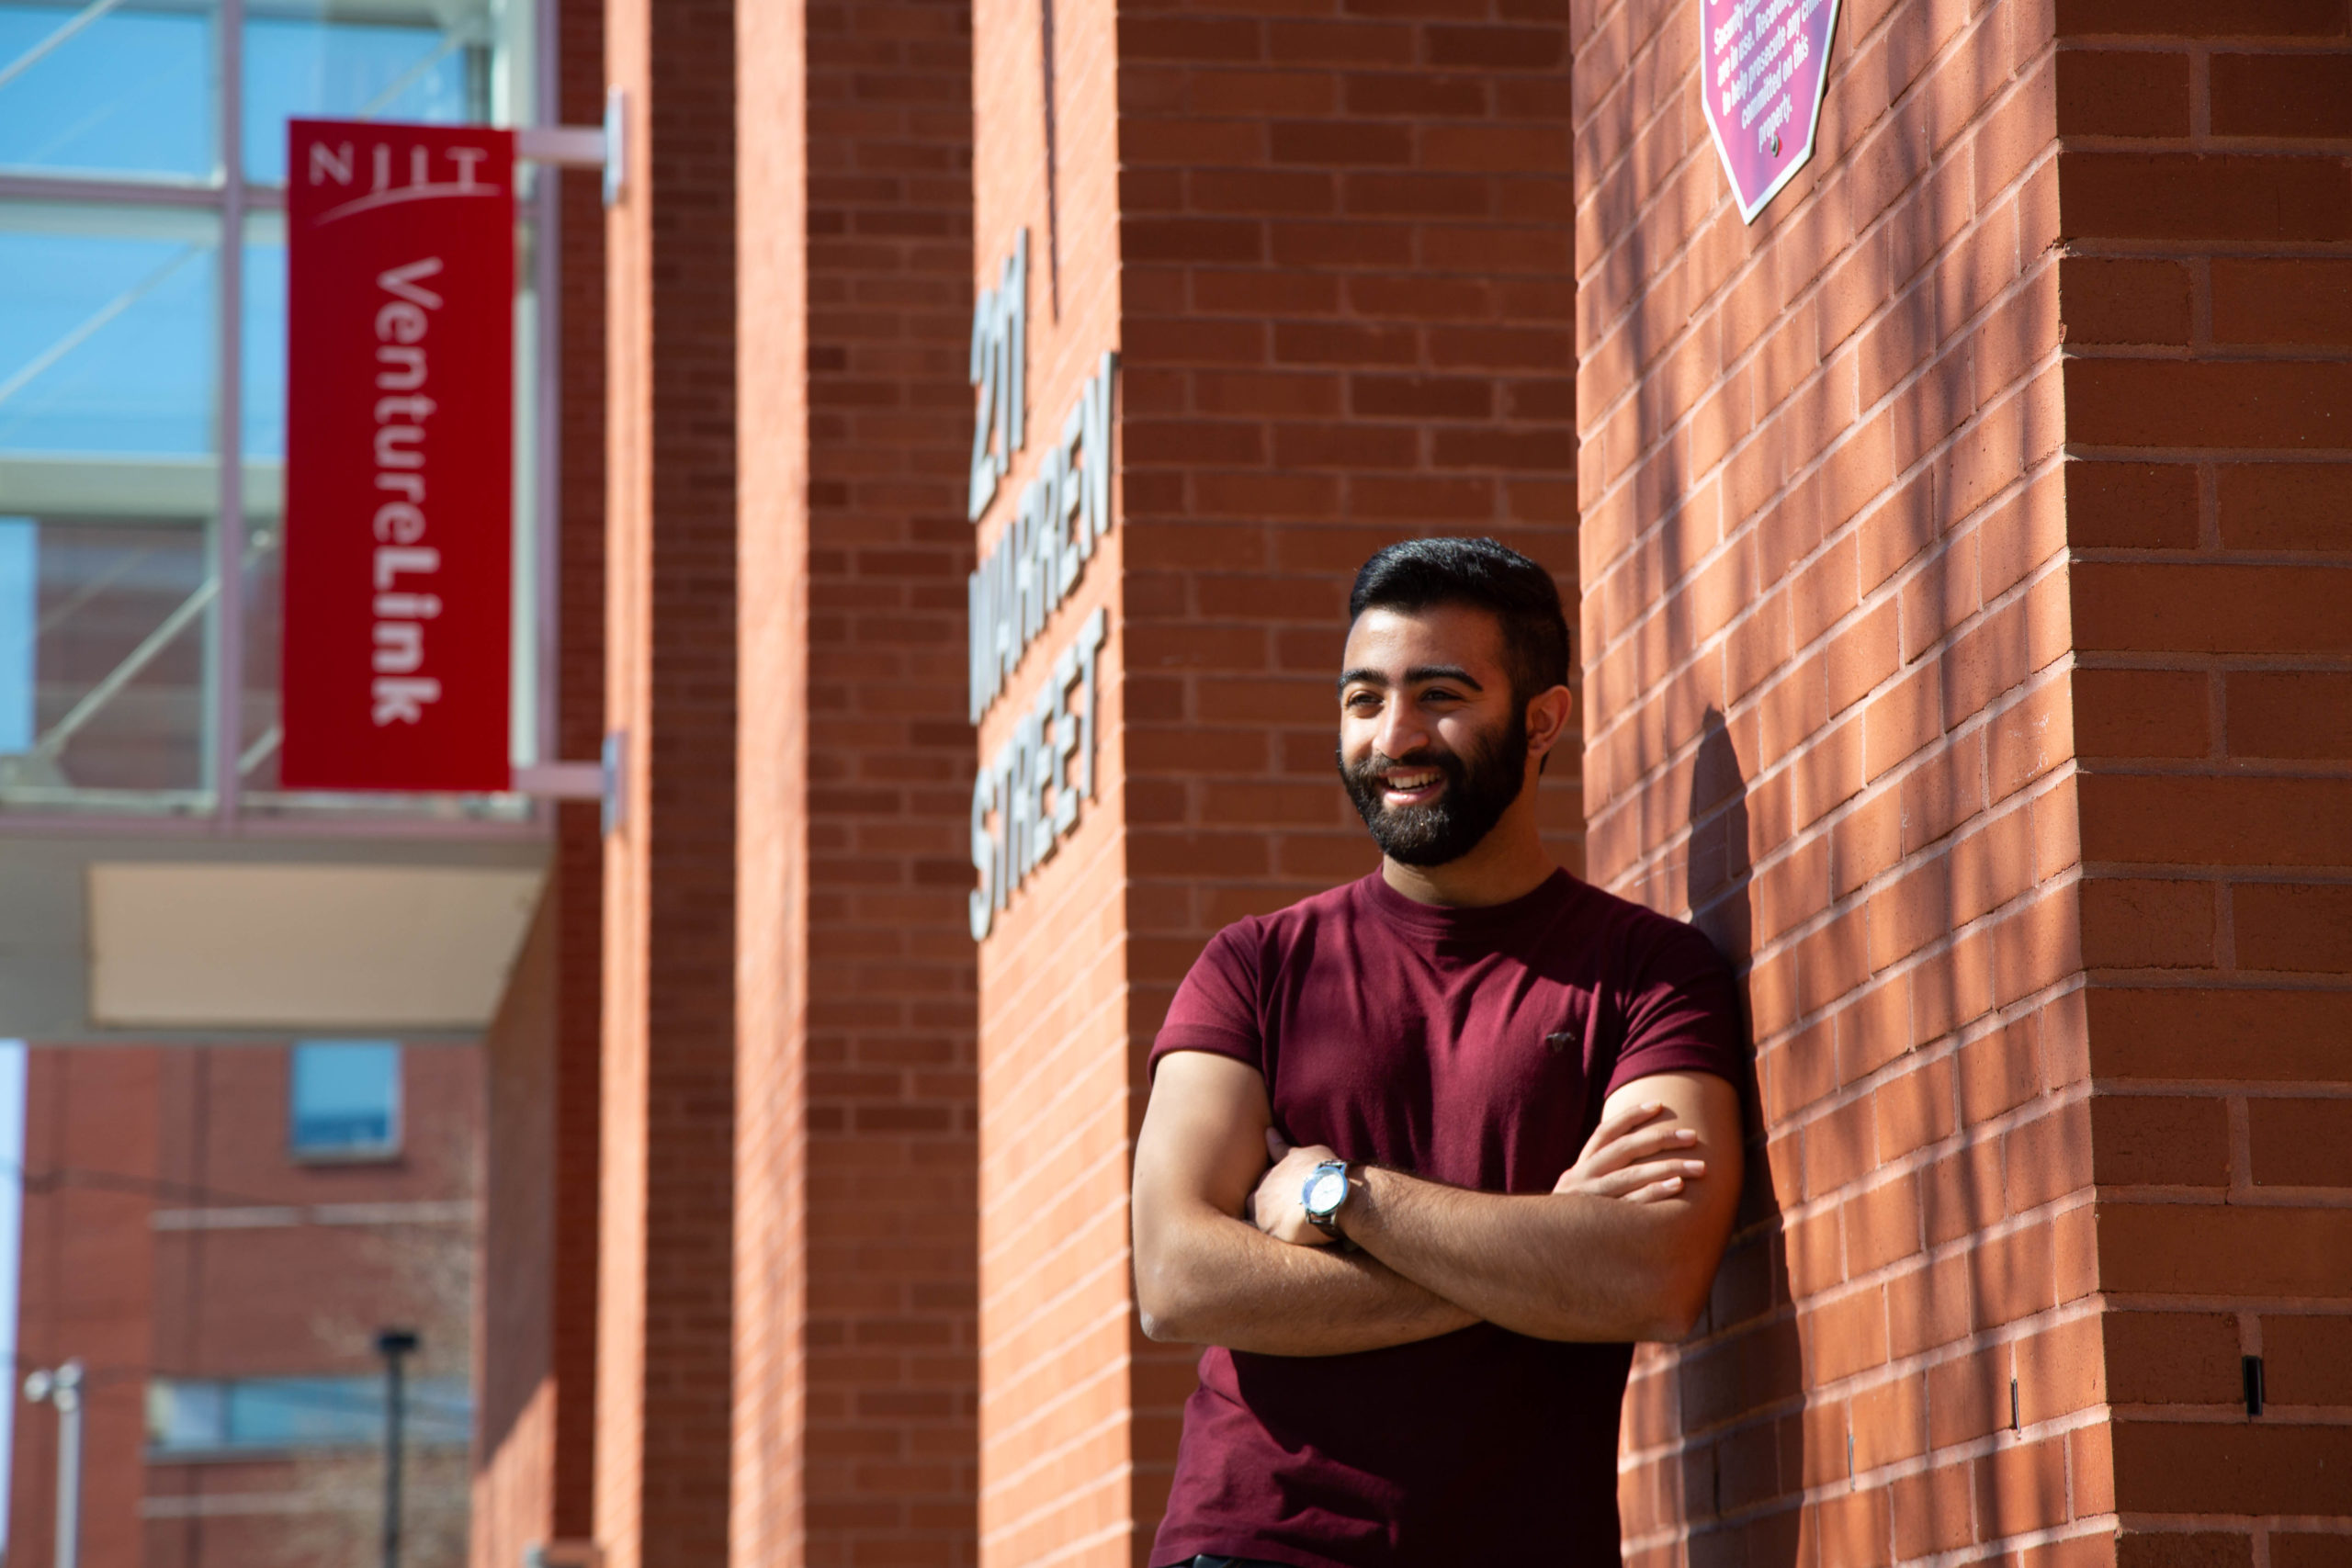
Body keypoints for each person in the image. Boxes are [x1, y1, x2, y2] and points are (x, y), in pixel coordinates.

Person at [1130, 536, 1747, 1568]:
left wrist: (1339, 1196)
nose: (1394, 736)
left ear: (1542, 720)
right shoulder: (1254, 968)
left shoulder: (1648, 974)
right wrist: (1546, 1252)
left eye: (1441, 695)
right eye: (1363, 699)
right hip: (1255, 1548)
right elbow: (1176, 1276)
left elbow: (1653, 1274)